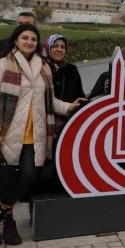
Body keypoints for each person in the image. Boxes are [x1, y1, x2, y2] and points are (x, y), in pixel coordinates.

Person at [0, 24, 84, 246]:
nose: (29, 42)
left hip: (35, 134)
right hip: (7, 133)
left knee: (28, 176)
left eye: (33, 39)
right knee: (6, 181)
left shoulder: (42, 66)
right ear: (16, 40)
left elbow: (50, 101)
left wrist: (69, 107)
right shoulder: (2, 65)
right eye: (25, 38)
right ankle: (7, 224)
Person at [36, 34, 85, 194]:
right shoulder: (39, 68)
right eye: (55, 46)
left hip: (66, 124)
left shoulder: (72, 70)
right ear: (48, 47)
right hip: (42, 124)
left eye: (62, 47)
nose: (59, 50)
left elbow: (79, 93)